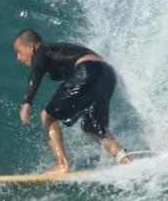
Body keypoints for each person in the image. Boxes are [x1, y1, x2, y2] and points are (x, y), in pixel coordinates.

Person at [13, 28, 131, 174]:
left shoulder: (42, 51)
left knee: (47, 115)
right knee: (92, 127)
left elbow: (36, 73)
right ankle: (124, 158)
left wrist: (27, 102)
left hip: (87, 70)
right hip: (107, 74)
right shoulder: (55, 51)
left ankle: (62, 164)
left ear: (31, 47)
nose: (18, 58)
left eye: (19, 52)